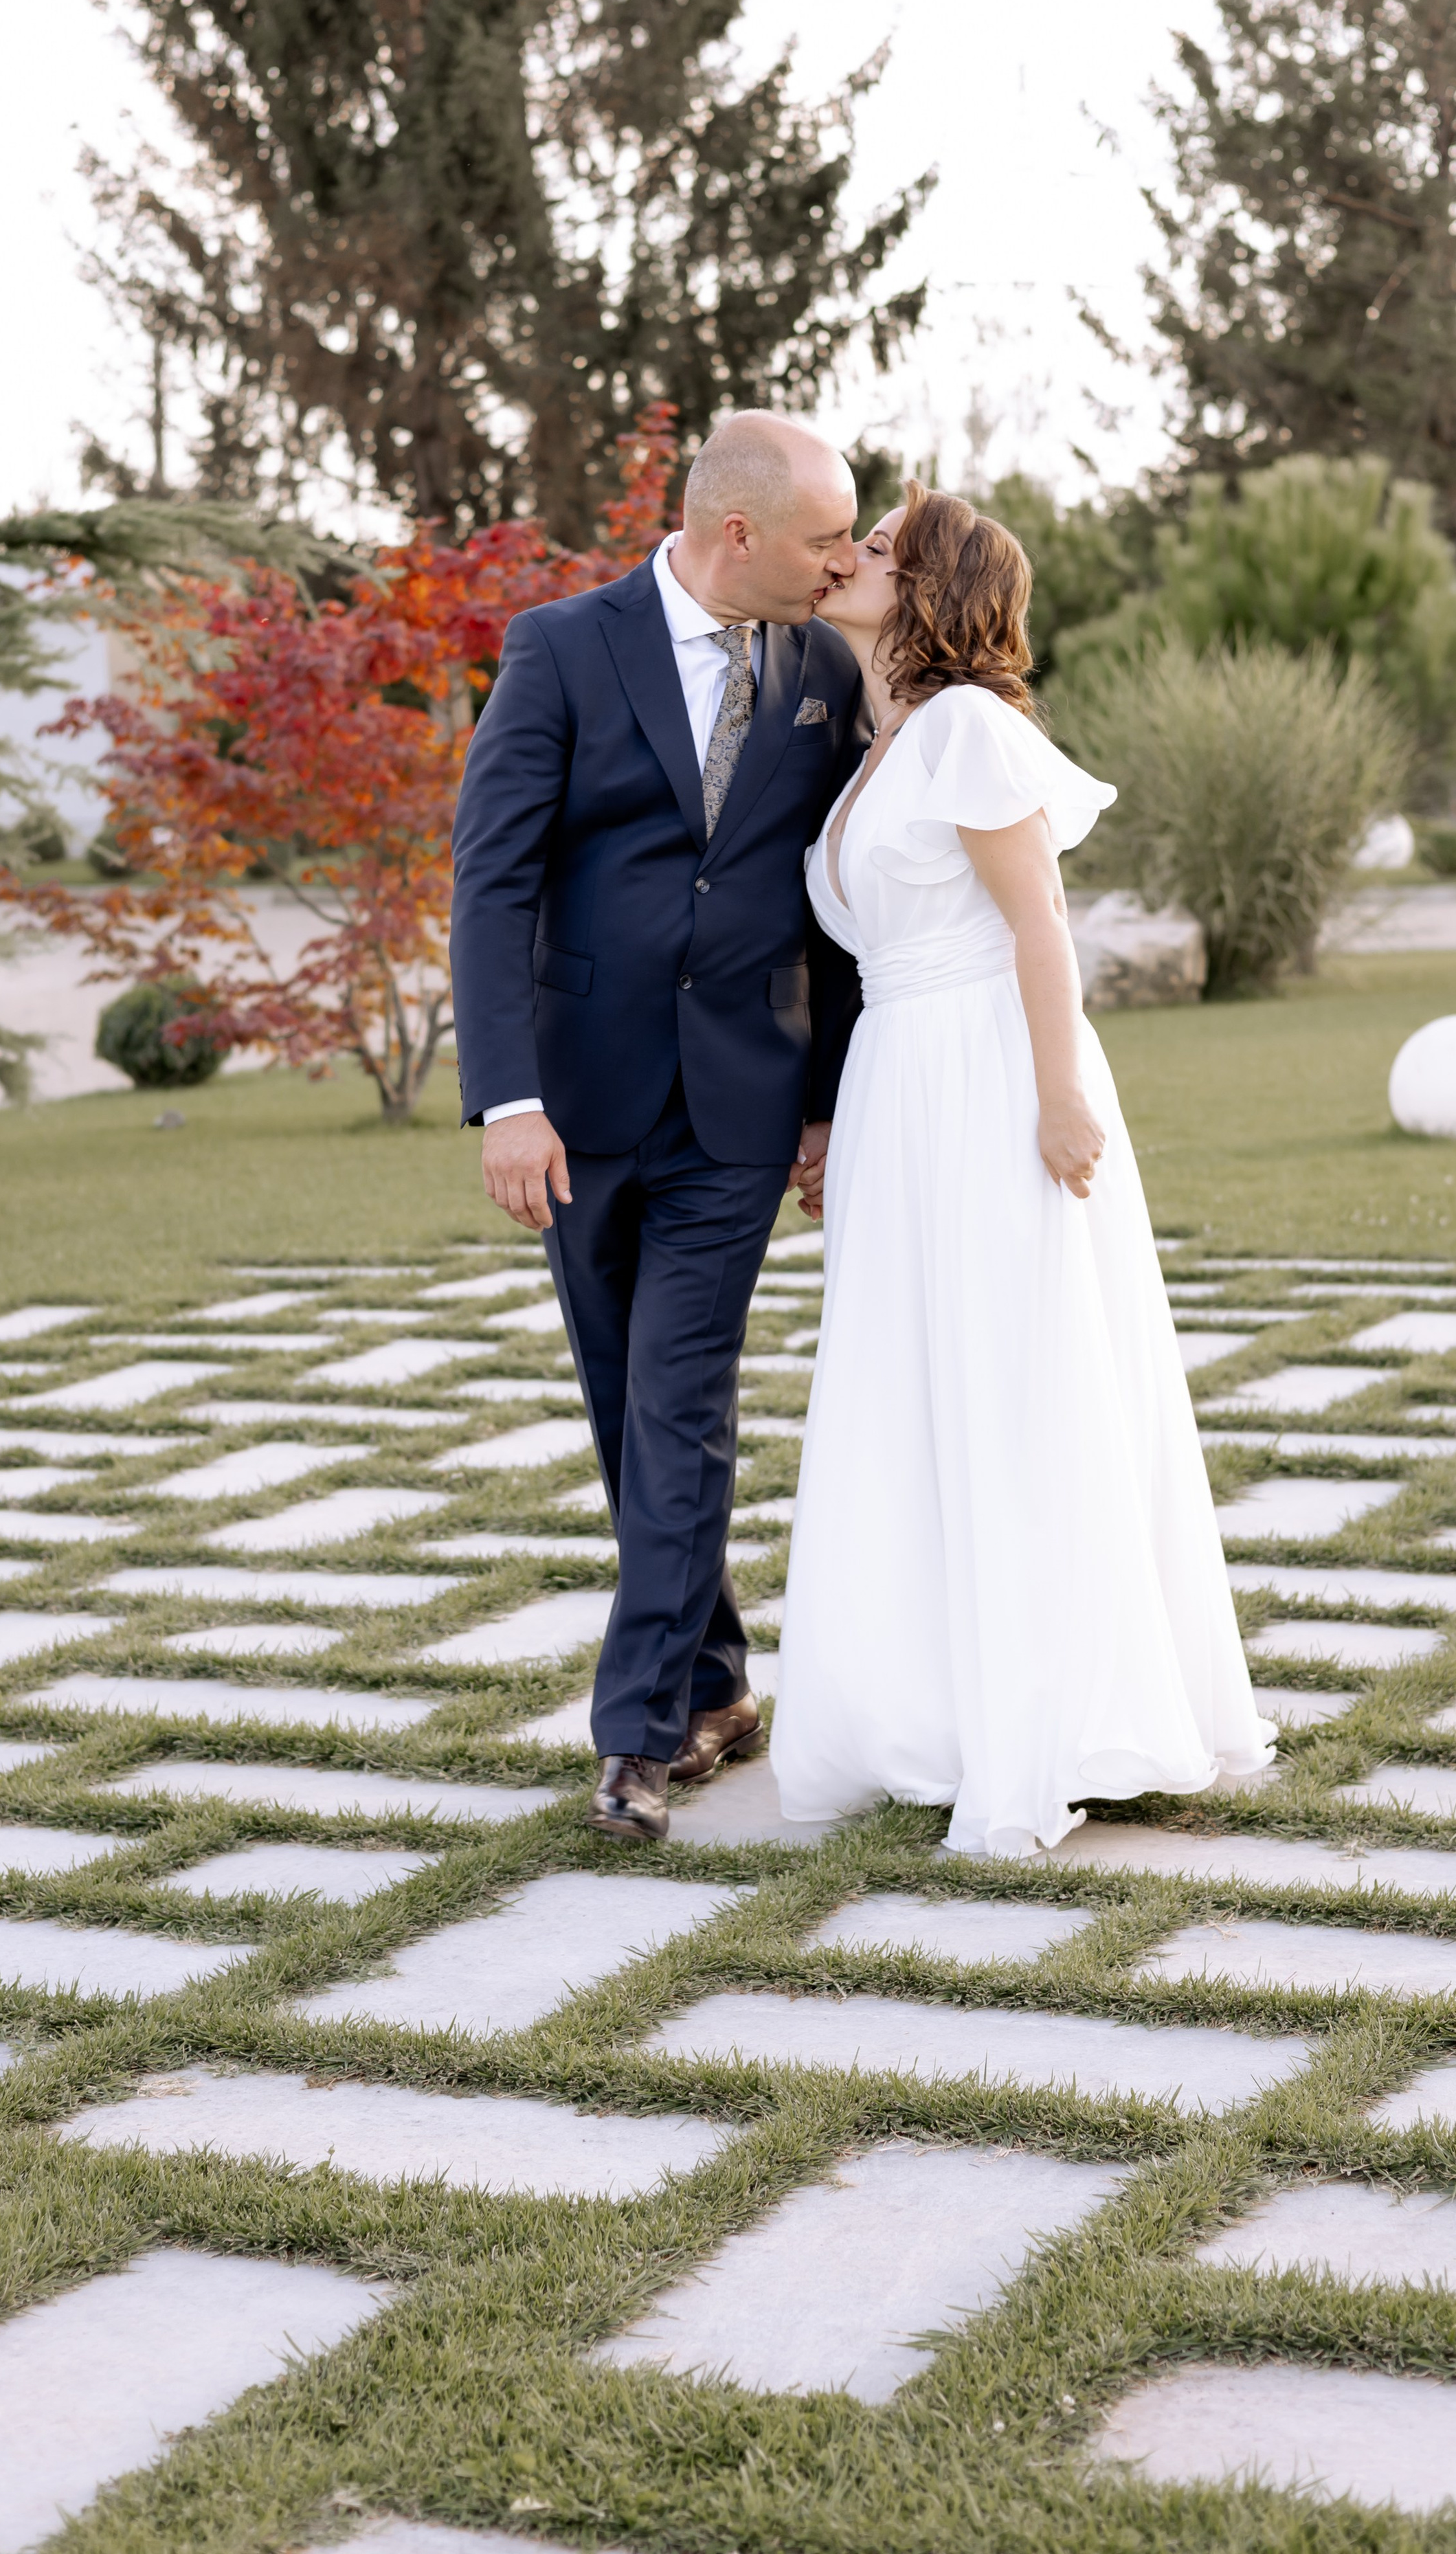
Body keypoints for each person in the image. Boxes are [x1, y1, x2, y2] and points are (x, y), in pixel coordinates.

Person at [771, 483, 1275, 1857]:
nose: (845, 559)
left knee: (1013, 1372)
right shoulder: (881, 745)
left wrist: (1057, 1098)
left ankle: (1046, 1721)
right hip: (897, 1080)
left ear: (928, 586)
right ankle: (930, 1710)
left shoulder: (968, 733)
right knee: (913, 1378)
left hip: (990, 1072)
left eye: (874, 549)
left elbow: (1038, 925)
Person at [449, 412, 866, 1844]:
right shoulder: (560, 647)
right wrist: (507, 1100)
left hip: (739, 1101)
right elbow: (491, 883)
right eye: (824, 538)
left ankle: (636, 1737)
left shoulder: (821, 666)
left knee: (678, 1396)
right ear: (736, 532)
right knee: (628, 1405)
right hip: (576, 1105)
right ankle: (717, 1685)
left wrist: (822, 1096)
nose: (841, 563)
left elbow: (838, 901)